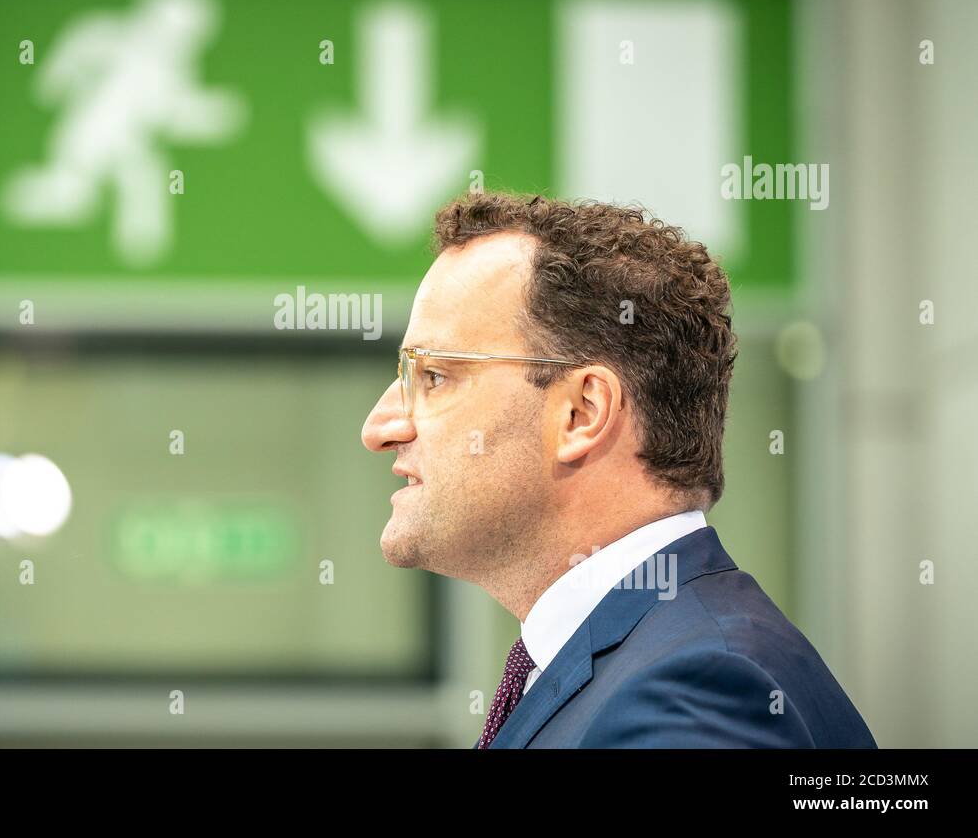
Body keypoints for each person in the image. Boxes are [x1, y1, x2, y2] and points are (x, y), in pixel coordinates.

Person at [360, 192, 876, 748]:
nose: (378, 427)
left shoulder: (693, 699)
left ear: (583, 413)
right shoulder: (658, 659)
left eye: (434, 376)